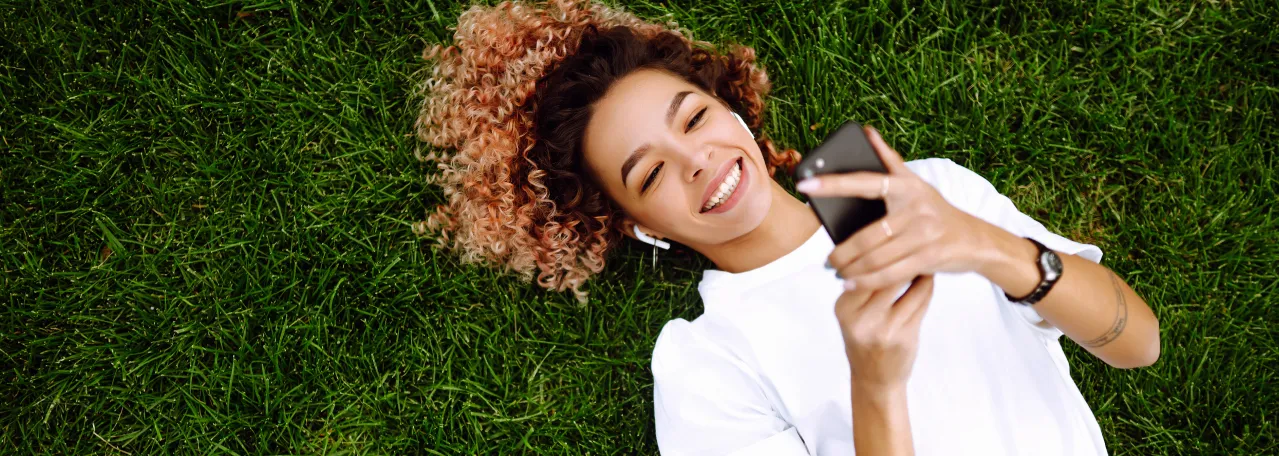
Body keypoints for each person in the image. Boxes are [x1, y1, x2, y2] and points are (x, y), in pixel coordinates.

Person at [412, 1, 1161, 454]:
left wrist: (990, 248)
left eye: (695, 119)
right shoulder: (704, 363)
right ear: (637, 227)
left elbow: (1139, 345)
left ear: (733, 110)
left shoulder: (920, 188)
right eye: (650, 175)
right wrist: (874, 384)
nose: (698, 162)